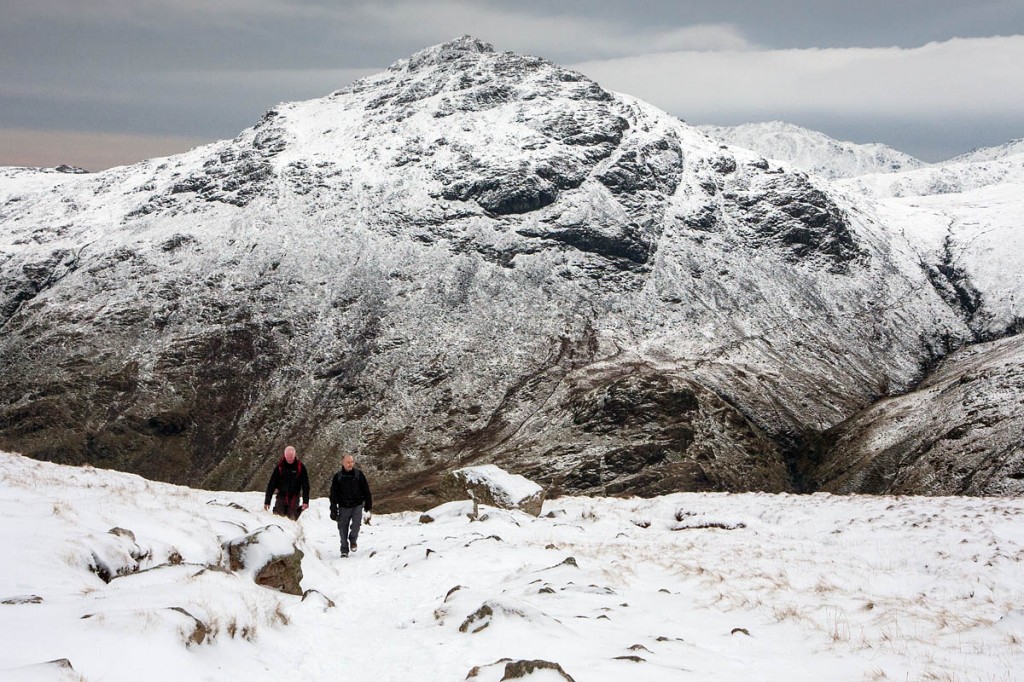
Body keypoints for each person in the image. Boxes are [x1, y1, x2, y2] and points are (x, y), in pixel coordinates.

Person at [329, 454, 373, 557]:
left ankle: (353, 540)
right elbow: (333, 495)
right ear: (343, 463)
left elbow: (366, 490)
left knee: (356, 525)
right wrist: (333, 510)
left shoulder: (359, 475)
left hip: (357, 505)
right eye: (348, 462)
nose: (350, 464)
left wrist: (368, 503)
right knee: (342, 528)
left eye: (352, 462)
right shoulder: (338, 477)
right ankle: (344, 549)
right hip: (343, 506)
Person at [264, 445, 310, 520]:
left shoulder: (300, 467)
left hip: (294, 497)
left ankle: (298, 510)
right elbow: (271, 484)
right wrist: (267, 501)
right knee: (278, 516)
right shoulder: (280, 467)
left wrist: (305, 501)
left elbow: (306, 485)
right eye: (287, 456)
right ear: (284, 455)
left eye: (291, 456)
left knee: (291, 518)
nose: (289, 459)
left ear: (294, 456)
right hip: (281, 495)